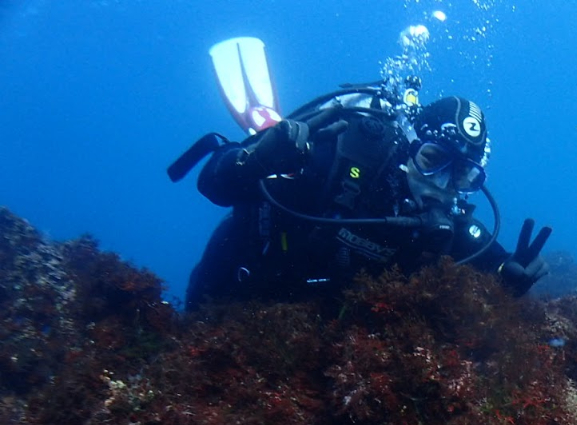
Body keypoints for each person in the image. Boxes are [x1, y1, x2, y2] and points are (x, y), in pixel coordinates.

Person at [180, 91, 550, 308]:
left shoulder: (448, 227)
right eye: (433, 161)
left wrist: (509, 275)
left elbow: (493, 261)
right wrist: (254, 162)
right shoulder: (340, 160)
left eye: (462, 175)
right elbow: (213, 185)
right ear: (409, 145)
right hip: (241, 285)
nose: (442, 185)